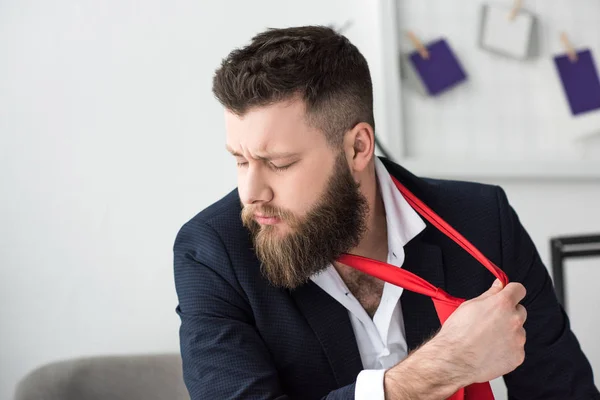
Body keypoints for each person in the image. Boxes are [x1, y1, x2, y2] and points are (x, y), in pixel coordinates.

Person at [173, 25, 599, 399]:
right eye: (241, 160)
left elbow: (564, 390)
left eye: (279, 163)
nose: (251, 192)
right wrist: (443, 365)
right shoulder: (211, 253)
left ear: (358, 147)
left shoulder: (483, 222)